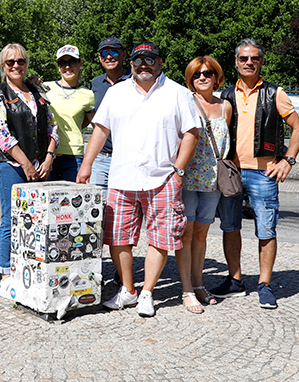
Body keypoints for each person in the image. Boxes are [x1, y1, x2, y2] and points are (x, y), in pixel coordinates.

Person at [77, 41, 199, 318]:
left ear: (160, 63)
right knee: (117, 237)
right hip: (122, 176)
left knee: (161, 237)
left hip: (163, 177)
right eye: (138, 60)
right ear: (130, 63)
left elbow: (191, 133)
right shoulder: (116, 92)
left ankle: (148, 293)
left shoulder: (177, 93)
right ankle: (128, 290)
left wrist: (179, 171)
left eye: (150, 59)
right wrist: (86, 165)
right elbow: (100, 130)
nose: (143, 64)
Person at [212, 38, 299, 310]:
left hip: (264, 173)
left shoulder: (275, 93)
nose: (249, 62)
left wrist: (288, 160)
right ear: (236, 63)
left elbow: (298, 129)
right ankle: (235, 280)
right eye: (244, 58)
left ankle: (264, 284)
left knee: (266, 230)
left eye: (254, 58)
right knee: (230, 227)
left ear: (261, 61)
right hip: (232, 172)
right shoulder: (225, 95)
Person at [0, 44, 58, 294]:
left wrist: (48, 157)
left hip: (39, 165)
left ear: (27, 63)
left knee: (35, 221)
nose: (16, 66)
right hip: (11, 166)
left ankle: (29, 265)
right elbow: (1, 135)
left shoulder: (37, 91)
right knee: (11, 219)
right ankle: (5, 272)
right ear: (3, 66)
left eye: (20, 61)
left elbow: (52, 127)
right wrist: (26, 163)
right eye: (10, 62)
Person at [177, 56, 233, 312]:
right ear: (191, 78)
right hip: (188, 178)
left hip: (213, 181)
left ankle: (199, 284)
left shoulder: (225, 106)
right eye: (197, 73)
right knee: (186, 233)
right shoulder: (186, 102)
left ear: (216, 76)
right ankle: (186, 288)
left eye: (208, 73)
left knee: (201, 234)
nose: (202, 77)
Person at [44, 44, 95, 181]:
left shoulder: (88, 94)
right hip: (47, 155)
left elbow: (90, 124)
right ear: (58, 66)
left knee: (72, 200)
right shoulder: (45, 88)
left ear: (80, 63)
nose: (67, 67)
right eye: (62, 63)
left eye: (72, 62)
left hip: (74, 157)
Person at [89, 37, 132, 189]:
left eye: (114, 51)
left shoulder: (136, 80)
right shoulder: (95, 84)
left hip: (130, 159)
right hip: (101, 159)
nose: (109, 56)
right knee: (97, 209)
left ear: (124, 55)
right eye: (103, 53)